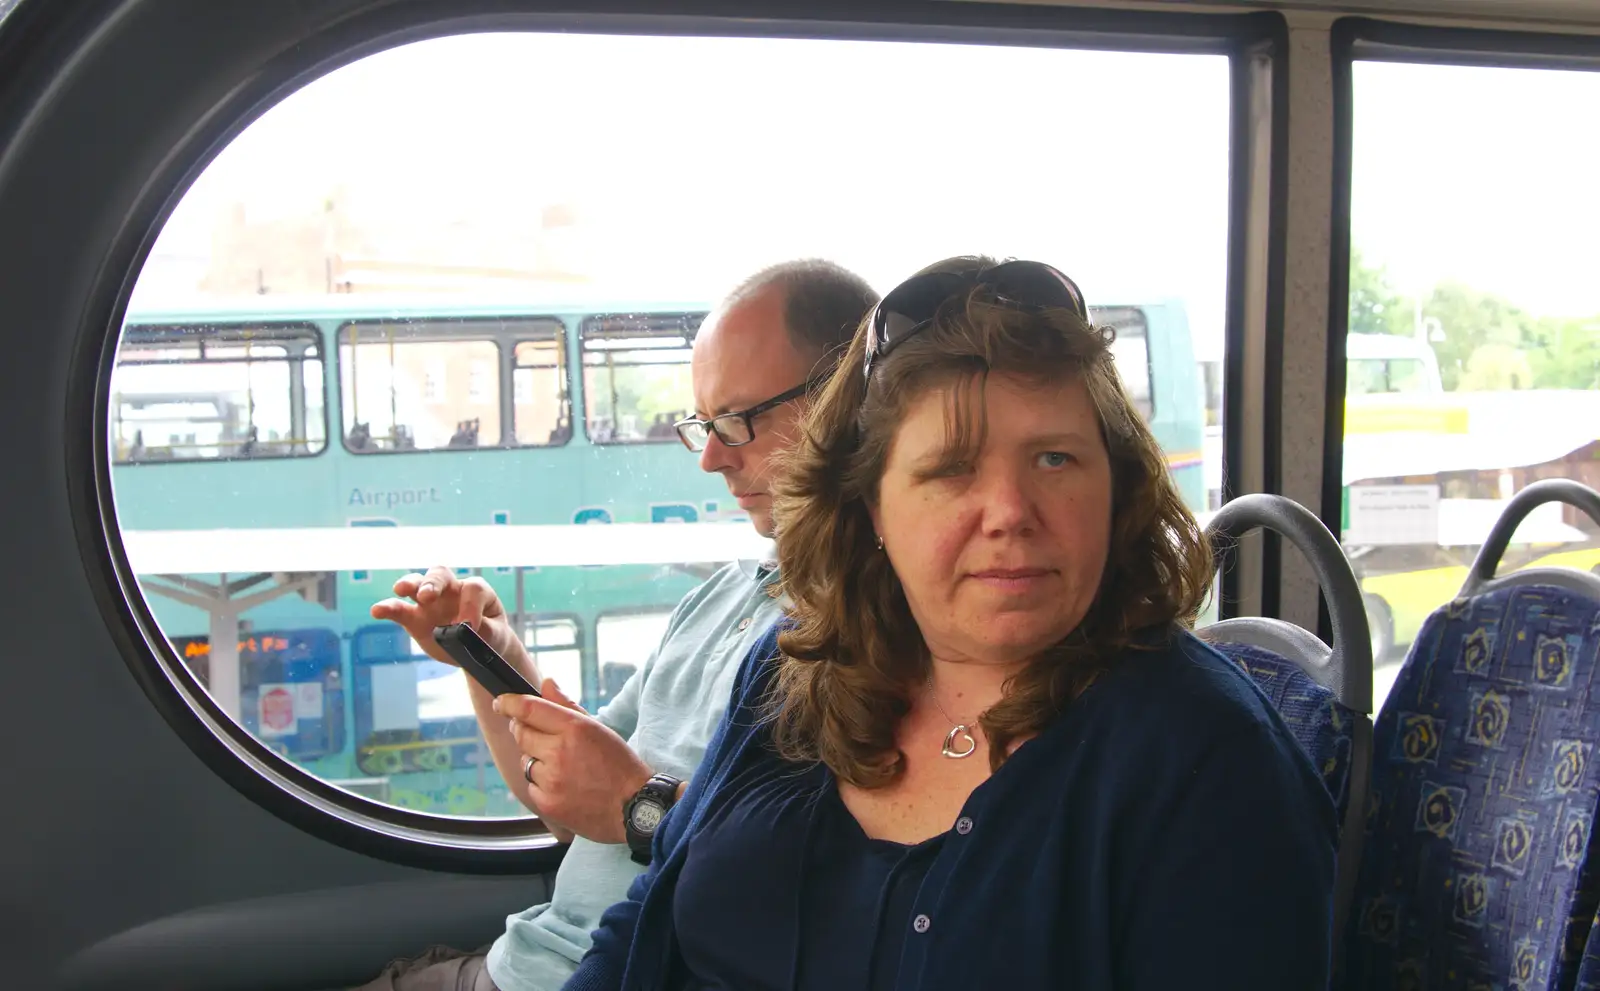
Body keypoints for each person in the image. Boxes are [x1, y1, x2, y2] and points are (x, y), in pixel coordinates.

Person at [565, 257, 1338, 991]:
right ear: (871, 507)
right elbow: (644, 922)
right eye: (950, 469)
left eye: (1055, 460)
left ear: (1117, 490)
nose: (1009, 513)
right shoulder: (792, 668)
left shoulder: (1208, 760)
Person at [354, 259, 879, 991]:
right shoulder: (721, 598)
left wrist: (641, 802)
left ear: (845, 399)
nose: (712, 458)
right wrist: (488, 658)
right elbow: (571, 807)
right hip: (517, 961)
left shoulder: (873, 631)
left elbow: (805, 887)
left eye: (738, 420)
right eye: (702, 424)